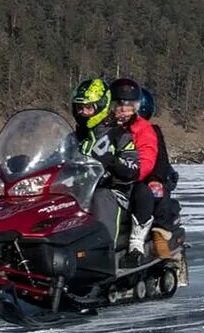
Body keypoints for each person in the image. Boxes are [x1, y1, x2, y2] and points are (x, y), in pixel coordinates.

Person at [109, 77, 178, 261]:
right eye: (119, 104)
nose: (123, 109)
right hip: (106, 177)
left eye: (129, 105)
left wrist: (140, 174)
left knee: (151, 193)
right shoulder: (102, 127)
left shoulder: (146, 129)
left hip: (137, 176)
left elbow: (151, 157)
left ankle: (147, 240)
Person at [71, 76, 140, 193]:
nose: (82, 112)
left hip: (112, 191)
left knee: (100, 199)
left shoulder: (119, 135)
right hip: (79, 192)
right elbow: (57, 158)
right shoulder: (75, 137)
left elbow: (133, 169)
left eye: (88, 107)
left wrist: (111, 161)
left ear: (101, 106)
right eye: (79, 108)